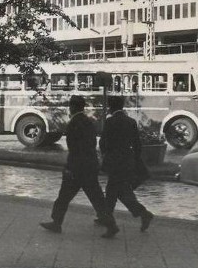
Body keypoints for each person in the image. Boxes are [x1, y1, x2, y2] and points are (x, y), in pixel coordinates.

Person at [40, 95, 119, 238]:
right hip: (90, 165)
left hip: (77, 168)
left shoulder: (73, 123)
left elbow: (74, 149)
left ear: (72, 107)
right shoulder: (88, 122)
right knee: (97, 198)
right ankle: (111, 224)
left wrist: (69, 167)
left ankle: (56, 222)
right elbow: (91, 144)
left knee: (64, 196)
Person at [99, 95, 154, 232]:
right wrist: (134, 160)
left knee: (115, 193)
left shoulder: (110, 122)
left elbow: (103, 143)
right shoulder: (131, 122)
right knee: (117, 192)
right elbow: (137, 145)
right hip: (128, 162)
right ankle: (107, 218)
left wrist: (105, 154)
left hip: (115, 162)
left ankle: (140, 214)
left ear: (111, 107)